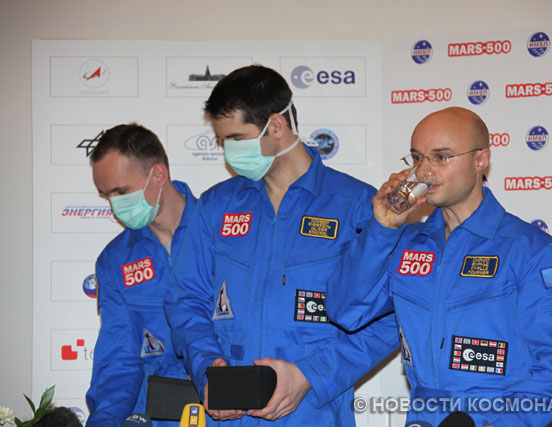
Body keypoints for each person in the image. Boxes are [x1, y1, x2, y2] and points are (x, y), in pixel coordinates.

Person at [326, 107, 552, 426]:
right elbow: (346, 312)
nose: (424, 171)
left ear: (480, 159)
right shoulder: (404, 243)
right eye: (418, 158)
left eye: (441, 157)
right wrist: (382, 228)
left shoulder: (531, 250)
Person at [163, 65, 399, 426]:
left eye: (236, 138)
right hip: (227, 415)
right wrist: (207, 367)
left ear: (276, 126)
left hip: (313, 416)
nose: (228, 152)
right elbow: (185, 300)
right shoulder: (215, 206)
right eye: (223, 141)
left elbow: (389, 319)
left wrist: (310, 375)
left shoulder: (357, 206)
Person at [86, 124, 199, 426]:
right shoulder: (115, 260)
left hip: (226, 412)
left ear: (159, 175)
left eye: (121, 192)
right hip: (154, 415)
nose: (115, 206)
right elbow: (119, 360)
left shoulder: (221, 234)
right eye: (106, 195)